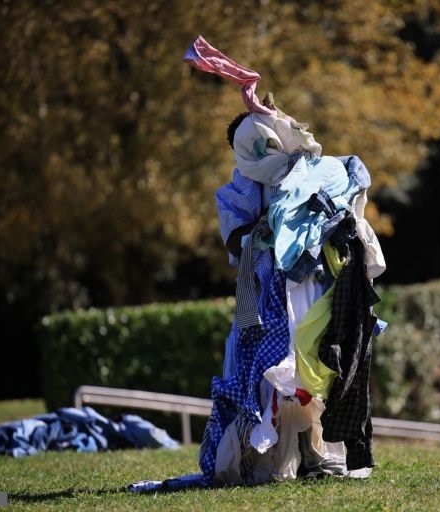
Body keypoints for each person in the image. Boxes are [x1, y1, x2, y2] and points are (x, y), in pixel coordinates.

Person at [127, 35, 386, 493]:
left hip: (309, 281)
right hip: (270, 287)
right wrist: (269, 229)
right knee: (271, 368)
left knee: (314, 363)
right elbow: (234, 234)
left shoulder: (309, 170)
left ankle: (315, 452)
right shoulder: (247, 183)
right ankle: (265, 459)